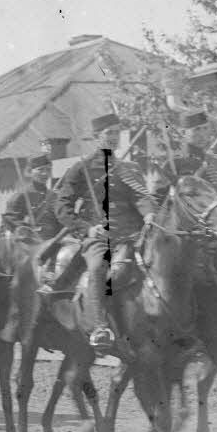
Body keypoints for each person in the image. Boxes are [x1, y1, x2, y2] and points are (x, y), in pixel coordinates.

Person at [53, 113, 157, 353]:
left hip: (132, 235)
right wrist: (86, 228)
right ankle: (100, 327)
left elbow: (141, 196)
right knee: (99, 266)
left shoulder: (129, 168)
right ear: (96, 137)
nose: (113, 137)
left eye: (116, 133)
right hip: (98, 237)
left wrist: (149, 214)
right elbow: (62, 206)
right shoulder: (81, 169)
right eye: (108, 133)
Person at [155, 110, 217, 211]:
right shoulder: (173, 165)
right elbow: (158, 202)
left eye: (205, 128)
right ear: (184, 132)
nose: (202, 134)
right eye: (197, 129)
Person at [2, 153, 62, 240]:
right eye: (40, 170)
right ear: (30, 172)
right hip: (31, 242)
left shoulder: (54, 196)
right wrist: (26, 230)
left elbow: (60, 219)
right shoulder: (22, 195)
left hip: (53, 241)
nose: (45, 173)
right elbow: (10, 218)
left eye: (48, 170)